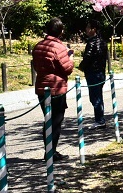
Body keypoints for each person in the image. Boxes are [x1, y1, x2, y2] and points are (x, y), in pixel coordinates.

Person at [32, 17, 74, 161]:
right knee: (56, 120)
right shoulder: (59, 47)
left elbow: (35, 66)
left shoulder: (38, 46)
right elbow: (67, 68)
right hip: (56, 88)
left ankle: (48, 150)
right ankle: (51, 152)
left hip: (41, 86)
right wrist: (70, 58)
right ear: (61, 32)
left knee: (47, 119)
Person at [78, 18, 108, 128]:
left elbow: (88, 57)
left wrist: (81, 67)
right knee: (98, 96)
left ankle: (100, 120)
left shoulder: (92, 42)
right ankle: (100, 119)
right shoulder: (103, 42)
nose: (86, 29)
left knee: (95, 97)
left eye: (88, 27)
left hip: (93, 73)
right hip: (101, 72)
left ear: (93, 29)